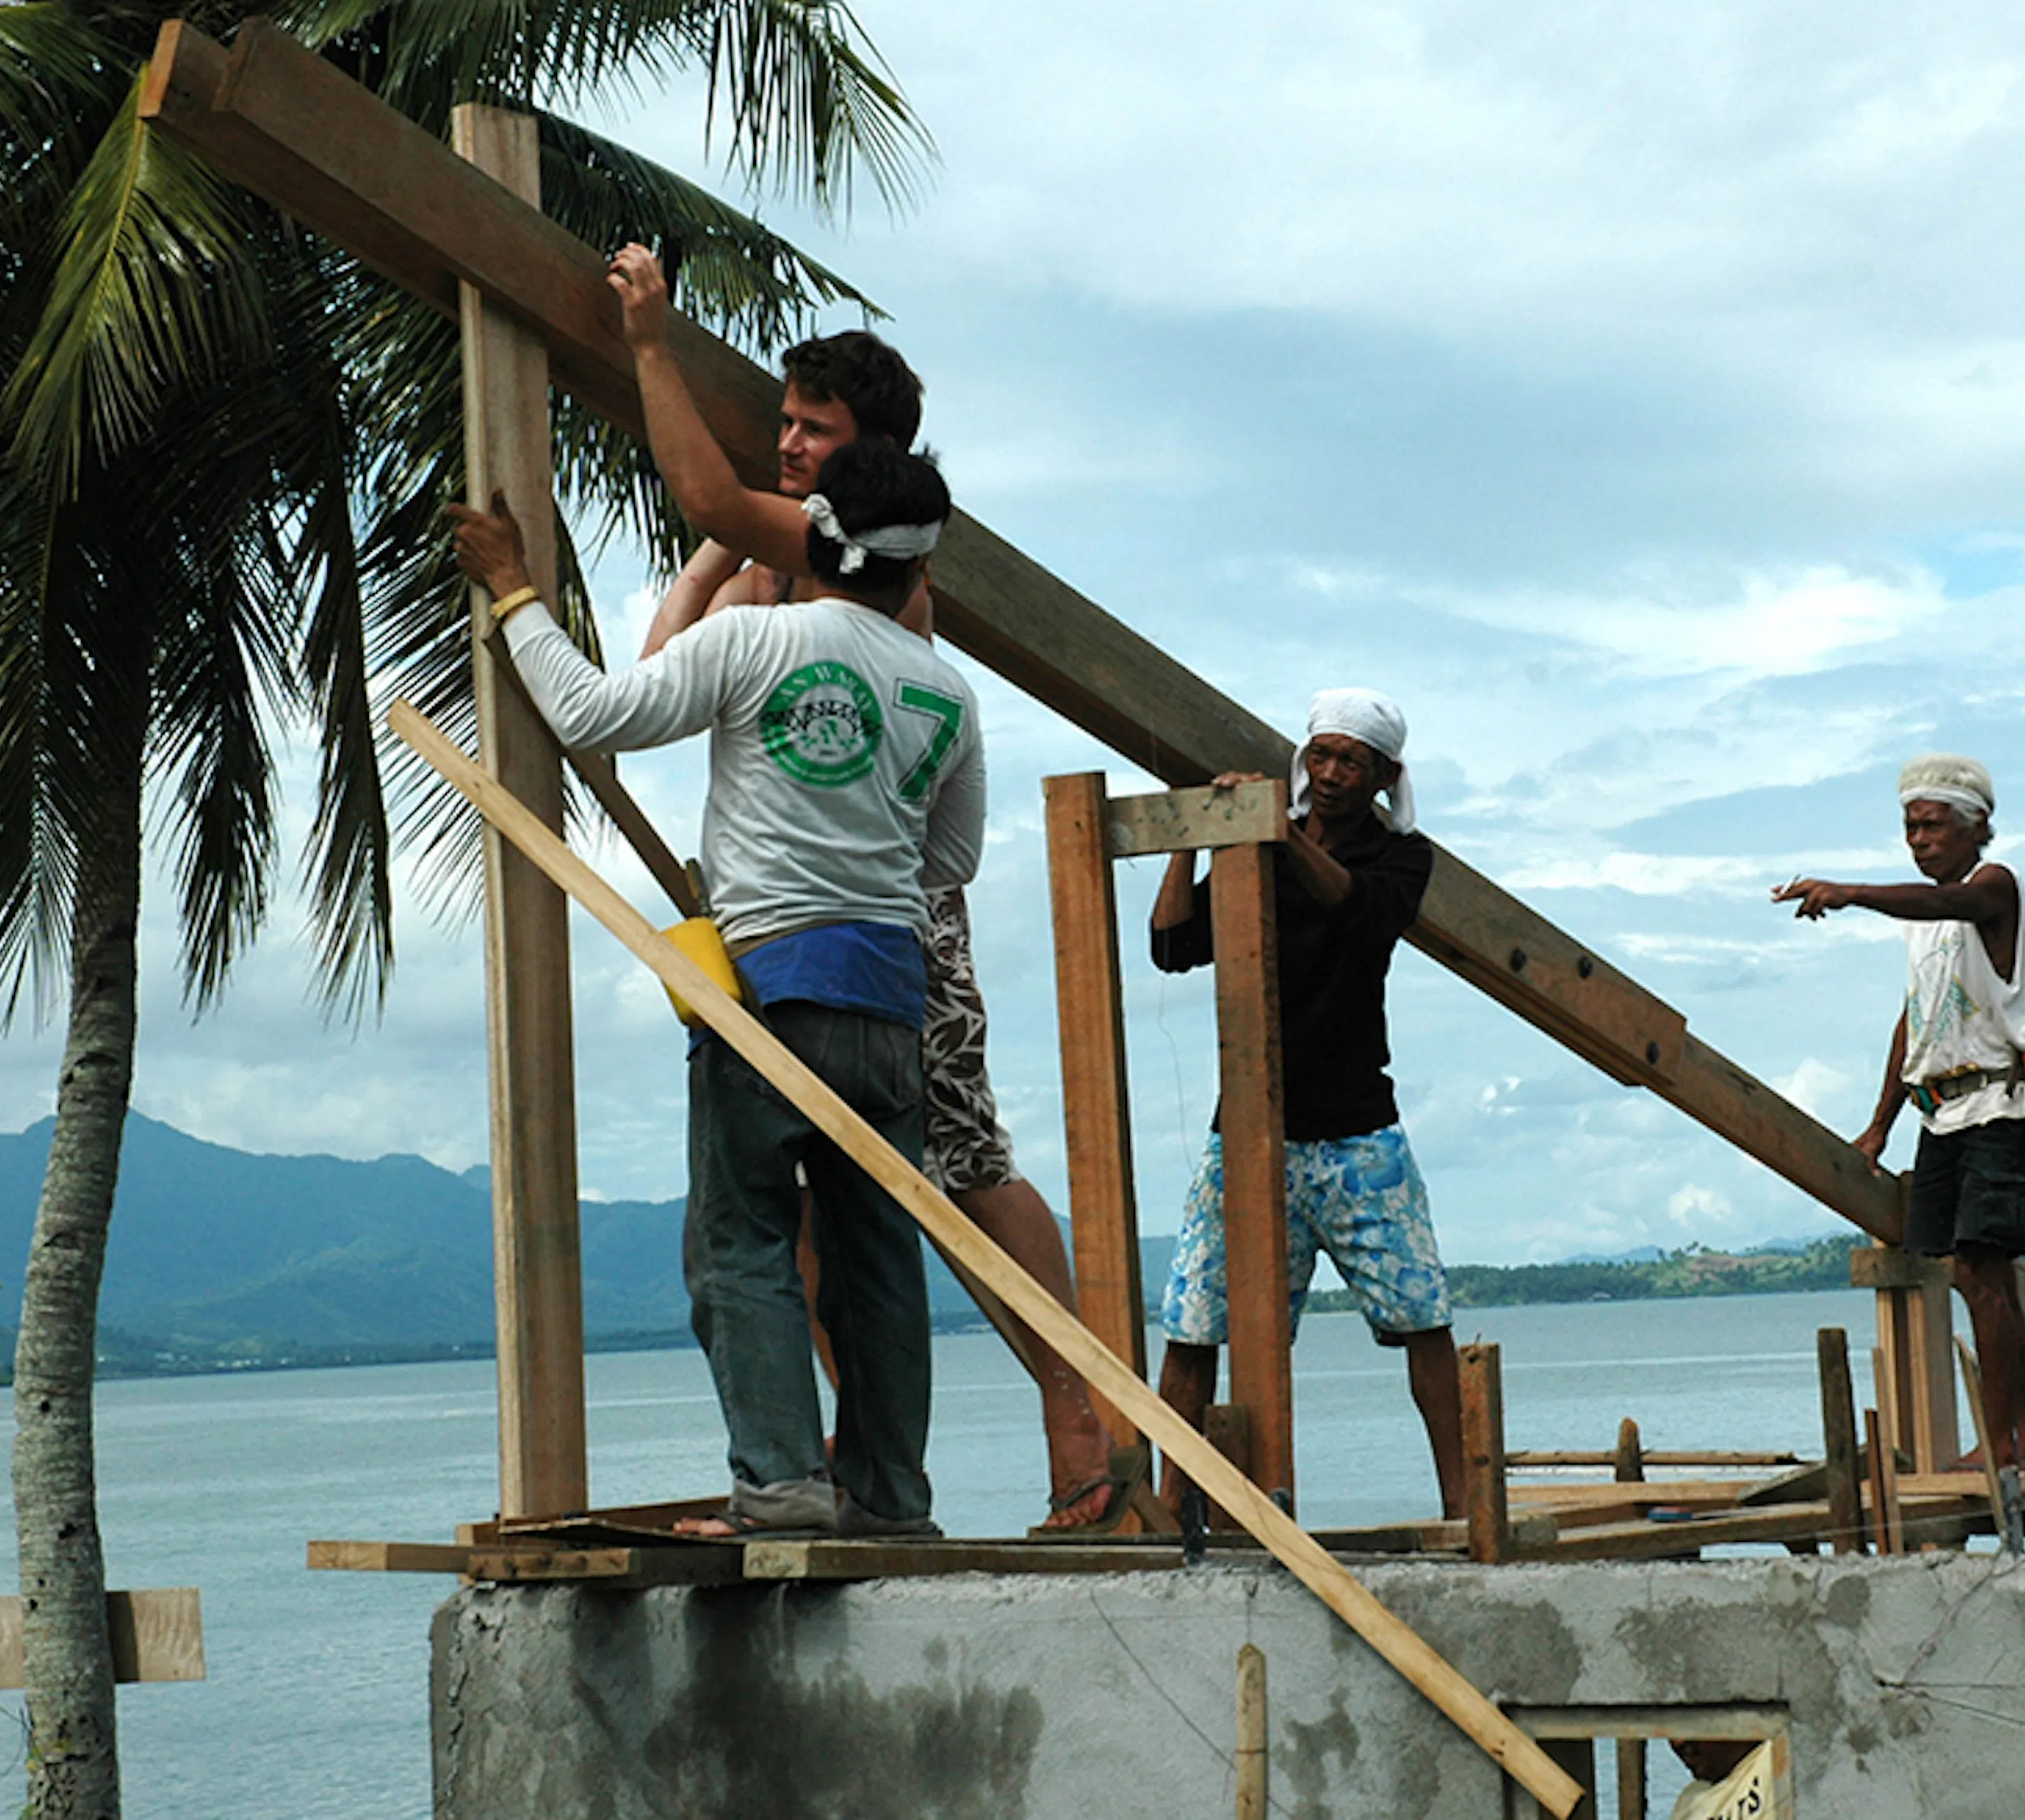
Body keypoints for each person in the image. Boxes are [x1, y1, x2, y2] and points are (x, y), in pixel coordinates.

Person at [604, 243, 1126, 1534]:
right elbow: (676, 643)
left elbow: (699, 489)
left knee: (953, 1165)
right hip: (826, 920)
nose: (789, 446)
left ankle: (1082, 1436)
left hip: (889, 922)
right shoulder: (811, 551)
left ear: (869, 457)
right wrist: (722, 549)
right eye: (782, 421)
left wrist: (654, 343)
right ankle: (860, 1471)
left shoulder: (857, 545)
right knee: (835, 1220)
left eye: (813, 429)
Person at [448, 436, 979, 1538]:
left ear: (812, 539)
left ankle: (784, 1492)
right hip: (891, 1001)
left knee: (740, 1242)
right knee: (876, 1263)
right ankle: (889, 1501)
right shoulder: (946, 694)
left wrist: (511, 591)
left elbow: (594, 718)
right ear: (920, 571)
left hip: (775, 988)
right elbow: (950, 863)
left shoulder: (751, 641)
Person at [1148, 690, 1467, 1516]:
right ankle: (1167, 1499)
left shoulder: (1402, 856)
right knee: (1193, 1322)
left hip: (1358, 1130)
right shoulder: (1253, 843)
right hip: (1249, 1130)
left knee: (1423, 1316)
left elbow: (1358, 911)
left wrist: (1277, 832)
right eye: (1319, 755)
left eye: (1350, 761)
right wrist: (1192, 836)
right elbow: (1173, 945)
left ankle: (1463, 1503)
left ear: (1383, 775)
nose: (1329, 775)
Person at [1772, 753, 2025, 1480]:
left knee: (1983, 1270)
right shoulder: (1920, 928)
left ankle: (2002, 1449)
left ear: (1976, 828)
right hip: (1942, 1114)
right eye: (1910, 826)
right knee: (1975, 1278)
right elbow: (1917, 1022)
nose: (1919, 839)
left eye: (1933, 825)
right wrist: (1880, 1123)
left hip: (2001, 1103)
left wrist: (1851, 892)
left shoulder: (1994, 887)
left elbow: (1942, 903)